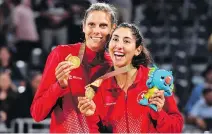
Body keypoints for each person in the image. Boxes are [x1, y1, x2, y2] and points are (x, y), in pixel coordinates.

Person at [78, 23, 183, 133]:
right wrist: (90, 117)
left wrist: (158, 112)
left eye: (126, 41)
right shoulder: (99, 87)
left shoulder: (156, 80)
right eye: (115, 39)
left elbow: (176, 129)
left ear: (138, 50)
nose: (119, 45)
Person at [30, 3, 117, 133]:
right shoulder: (61, 54)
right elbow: (37, 113)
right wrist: (59, 86)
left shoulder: (115, 66)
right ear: (83, 27)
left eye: (103, 25)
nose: (96, 30)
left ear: (112, 29)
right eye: (91, 24)